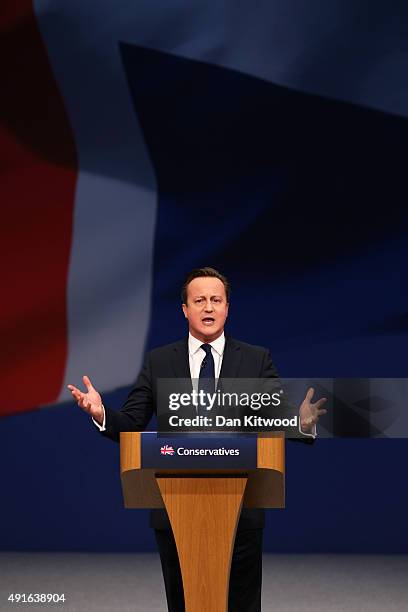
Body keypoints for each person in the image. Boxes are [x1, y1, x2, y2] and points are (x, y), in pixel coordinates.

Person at [68, 267, 327, 612]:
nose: (208, 307)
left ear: (227, 308)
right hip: (175, 506)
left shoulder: (254, 359)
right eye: (199, 300)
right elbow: (131, 423)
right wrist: (101, 413)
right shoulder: (160, 361)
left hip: (241, 507)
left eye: (216, 300)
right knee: (183, 603)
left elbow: (273, 417)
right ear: (185, 310)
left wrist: (301, 421)